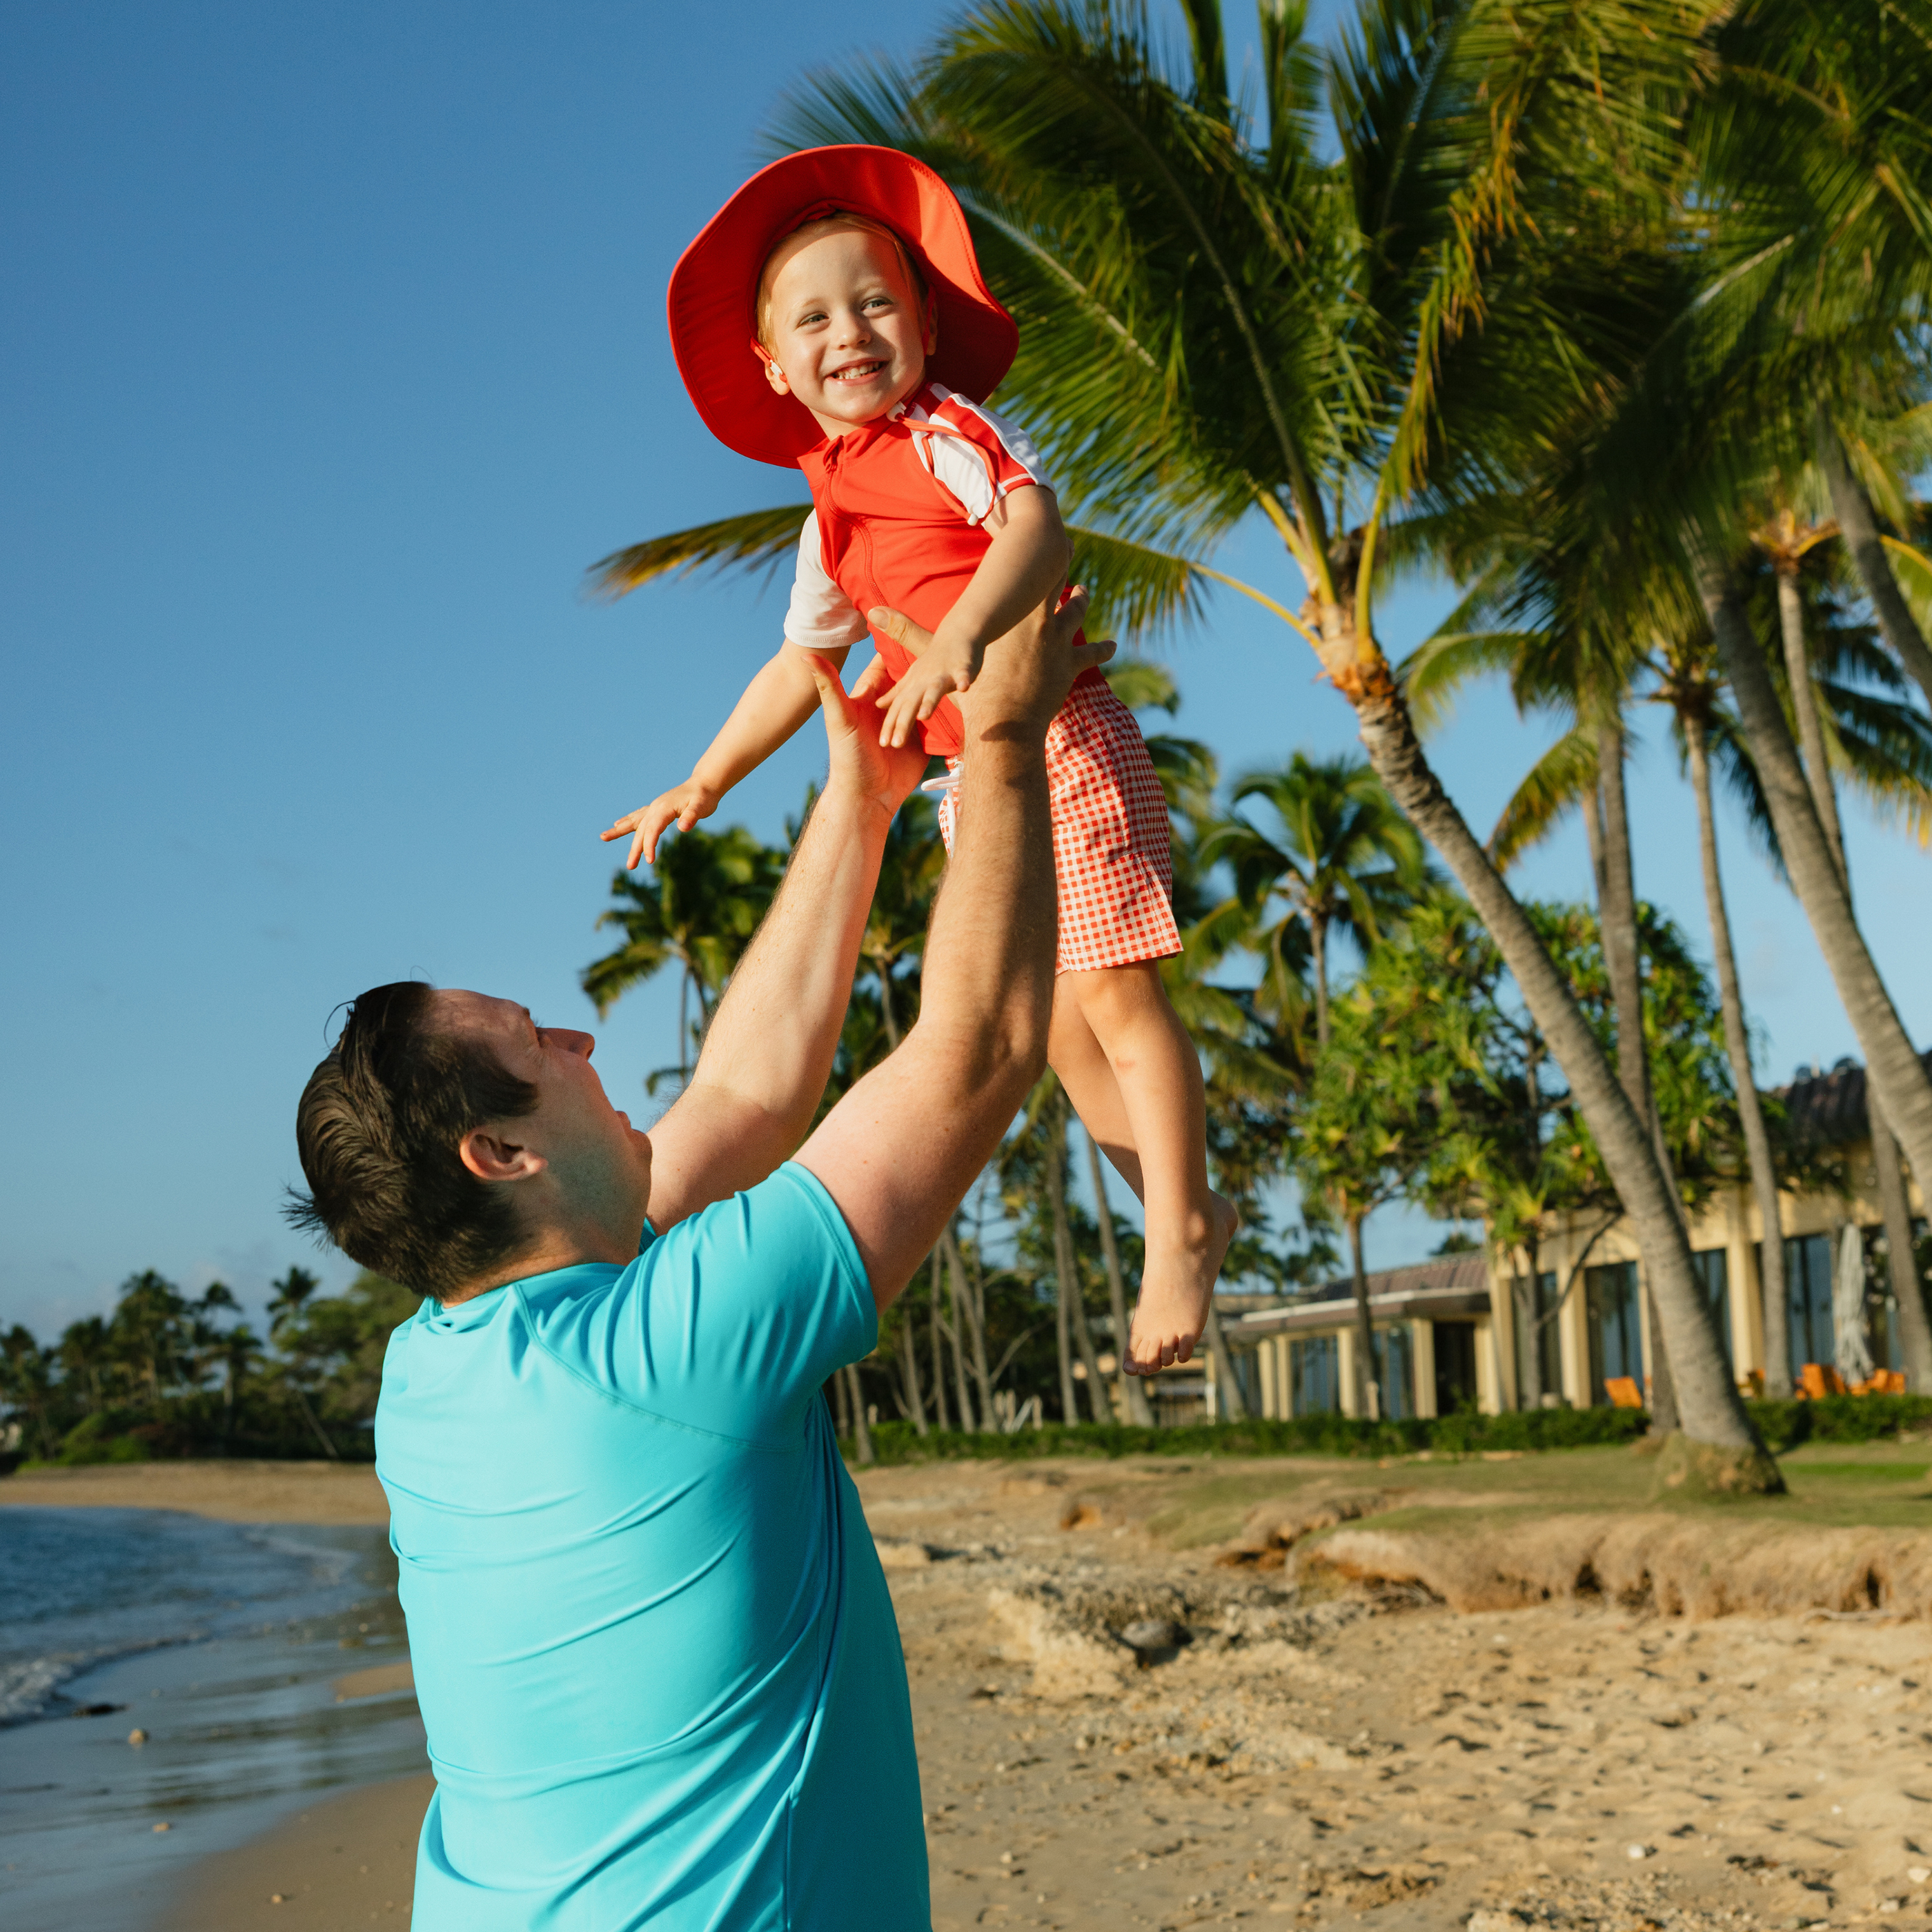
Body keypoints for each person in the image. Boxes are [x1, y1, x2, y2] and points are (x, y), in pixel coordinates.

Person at [288, 593, 1108, 1929]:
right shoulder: (673, 1351)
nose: (582, 1041)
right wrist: (1006, 738)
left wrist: (862, 799)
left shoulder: (431, 1379)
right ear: (501, 1153)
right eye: (538, 1041)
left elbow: (742, 1098)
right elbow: (977, 1052)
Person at [601, 144, 1236, 1374]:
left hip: (1059, 731)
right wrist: (707, 778)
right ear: (771, 364)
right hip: (973, 782)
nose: (850, 331)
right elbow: (799, 666)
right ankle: (1184, 1208)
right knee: (1052, 1028)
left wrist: (961, 637)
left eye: (876, 303)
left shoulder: (941, 431)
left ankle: (1178, 1229)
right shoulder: (826, 517)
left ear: (928, 323)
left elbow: (1038, 528)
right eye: (813, 318)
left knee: (1117, 998)